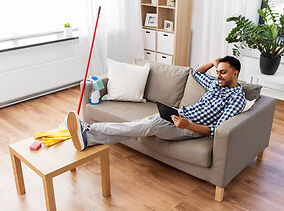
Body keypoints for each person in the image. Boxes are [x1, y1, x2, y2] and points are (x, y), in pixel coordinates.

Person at [67, 56, 247, 151]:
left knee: (136, 127)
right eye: (218, 72)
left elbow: (218, 129)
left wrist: (188, 125)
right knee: (136, 128)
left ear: (235, 73)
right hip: (177, 114)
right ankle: (88, 139)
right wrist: (212, 62)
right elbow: (195, 74)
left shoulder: (236, 98)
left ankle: (89, 129)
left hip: (187, 127)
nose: (218, 76)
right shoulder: (217, 84)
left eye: (223, 72)